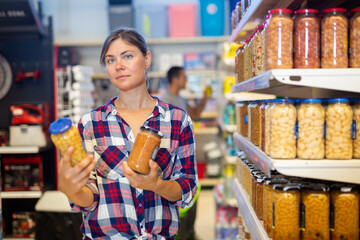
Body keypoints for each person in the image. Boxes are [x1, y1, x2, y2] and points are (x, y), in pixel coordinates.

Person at [58, 27, 199, 240]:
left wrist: (156, 185)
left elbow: (187, 190)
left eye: (128, 56)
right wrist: (71, 189)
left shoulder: (178, 120)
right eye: (110, 60)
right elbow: (90, 198)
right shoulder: (90, 124)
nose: (119, 66)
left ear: (147, 59)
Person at [161, 67, 208, 240]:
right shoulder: (165, 100)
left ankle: (188, 233)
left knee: (191, 198)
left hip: (185, 159)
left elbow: (194, 114)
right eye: (184, 77)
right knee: (178, 202)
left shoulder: (180, 99)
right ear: (175, 79)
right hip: (173, 164)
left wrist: (205, 98)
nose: (186, 80)